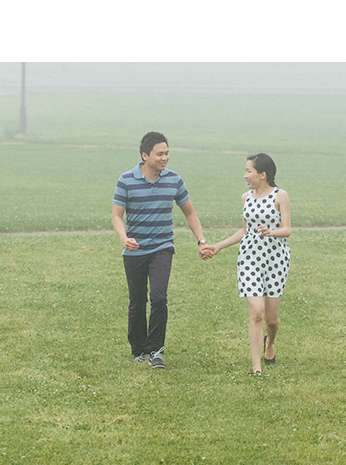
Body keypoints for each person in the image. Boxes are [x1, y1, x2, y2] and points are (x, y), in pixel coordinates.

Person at [112, 132, 207, 369]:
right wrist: (124, 238)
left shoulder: (174, 180)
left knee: (158, 297)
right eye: (160, 154)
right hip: (135, 250)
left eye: (167, 153)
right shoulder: (126, 180)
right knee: (137, 302)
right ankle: (137, 349)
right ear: (145, 156)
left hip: (162, 247)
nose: (165, 158)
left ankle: (155, 350)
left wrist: (201, 240)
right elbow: (116, 216)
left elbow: (190, 213)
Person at [201, 153, 289, 376]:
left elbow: (287, 229)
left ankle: (270, 343)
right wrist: (218, 246)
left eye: (249, 171)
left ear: (263, 174)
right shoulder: (245, 198)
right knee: (257, 312)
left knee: (272, 319)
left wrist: (272, 232)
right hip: (249, 259)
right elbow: (244, 230)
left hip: (276, 260)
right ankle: (256, 368)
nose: (245, 175)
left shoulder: (281, 196)